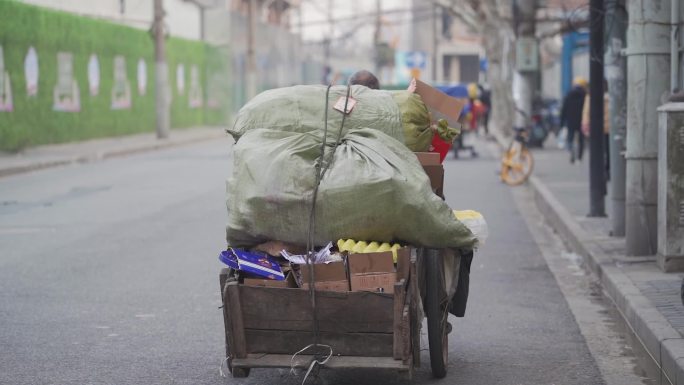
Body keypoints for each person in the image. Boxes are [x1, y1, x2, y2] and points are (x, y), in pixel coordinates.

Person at [560, 76, 588, 163]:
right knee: (581, 140)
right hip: (581, 121)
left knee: (570, 138)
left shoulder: (568, 95)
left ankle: (572, 153)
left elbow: (564, 109)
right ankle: (579, 157)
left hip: (570, 121)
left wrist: (562, 121)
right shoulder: (585, 96)